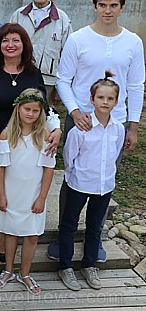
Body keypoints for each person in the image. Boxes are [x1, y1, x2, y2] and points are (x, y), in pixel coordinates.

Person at [50, 0, 144, 263]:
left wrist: (133, 125)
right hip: (81, 121)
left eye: (113, 5)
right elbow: (63, 80)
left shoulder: (133, 42)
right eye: (102, 5)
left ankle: (95, 238)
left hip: (114, 124)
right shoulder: (79, 39)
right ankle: (63, 235)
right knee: (72, 176)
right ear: (94, 6)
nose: (107, 10)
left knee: (104, 179)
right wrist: (75, 111)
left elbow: (137, 84)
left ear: (122, 7)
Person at [0, 24, 61, 263]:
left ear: (24, 45)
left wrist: (57, 129)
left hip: (23, 144)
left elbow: (44, 107)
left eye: (15, 40)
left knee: (9, 189)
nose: (10, 45)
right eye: (5, 40)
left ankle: (2, 236)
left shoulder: (32, 73)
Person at [58, 74, 124, 292]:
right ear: (92, 99)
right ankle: (65, 266)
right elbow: (69, 158)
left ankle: (89, 264)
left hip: (104, 187)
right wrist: (73, 176)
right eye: (101, 97)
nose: (105, 102)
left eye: (110, 98)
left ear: (116, 101)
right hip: (79, 184)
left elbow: (113, 156)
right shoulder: (80, 130)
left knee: (95, 228)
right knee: (69, 225)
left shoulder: (118, 129)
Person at [0, 89, 55, 294]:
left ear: (41, 112)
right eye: (27, 109)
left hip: (33, 194)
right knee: (10, 232)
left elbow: (48, 169)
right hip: (11, 193)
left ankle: (25, 273)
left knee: (31, 236)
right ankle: (8, 269)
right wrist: (1, 195)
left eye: (35, 110)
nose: (31, 114)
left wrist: (42, 197)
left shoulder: (44, 136)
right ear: (18, 109)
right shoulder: (7, 134)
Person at [9, 0, 72, 102]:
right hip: (20, 74)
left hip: (48, 80)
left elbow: (68, 55)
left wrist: (61, 86)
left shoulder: (62, 19)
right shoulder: (19, 15)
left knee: (44, 114)